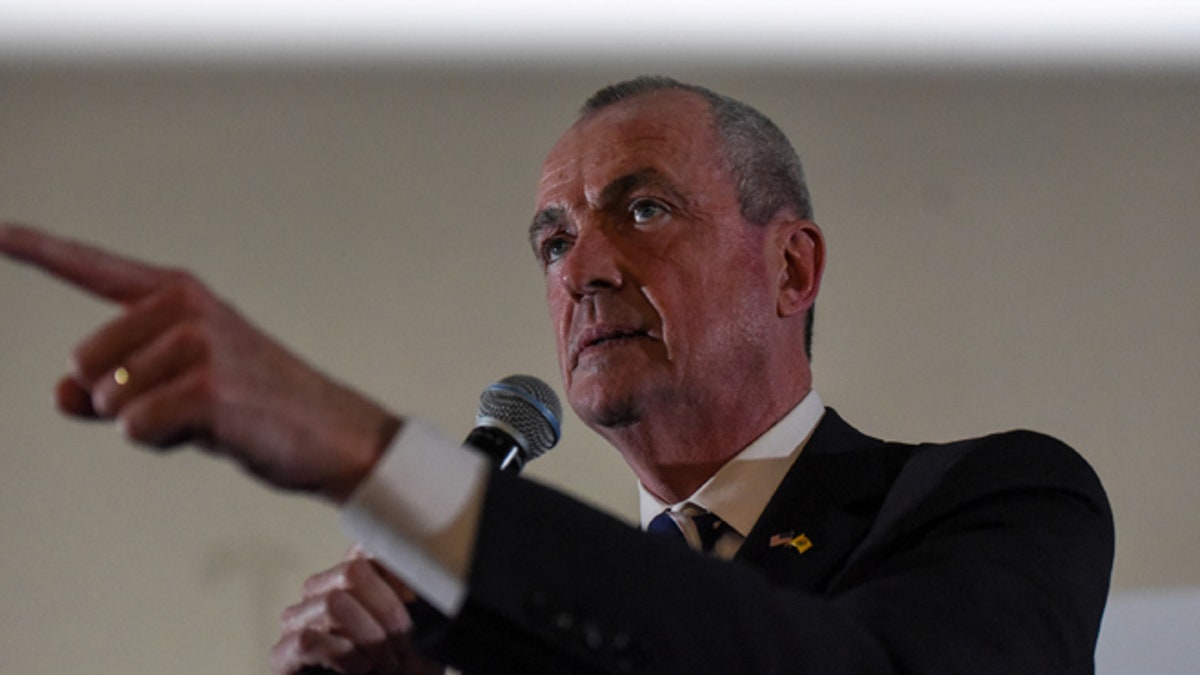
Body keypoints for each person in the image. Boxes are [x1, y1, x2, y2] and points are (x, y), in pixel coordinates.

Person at [0, 76, 1113, 675]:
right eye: (549, 241)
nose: (580, 268)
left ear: (791, 265)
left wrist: (363, 449)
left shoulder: (1000, 500)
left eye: (641, 208)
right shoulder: (513, 623)